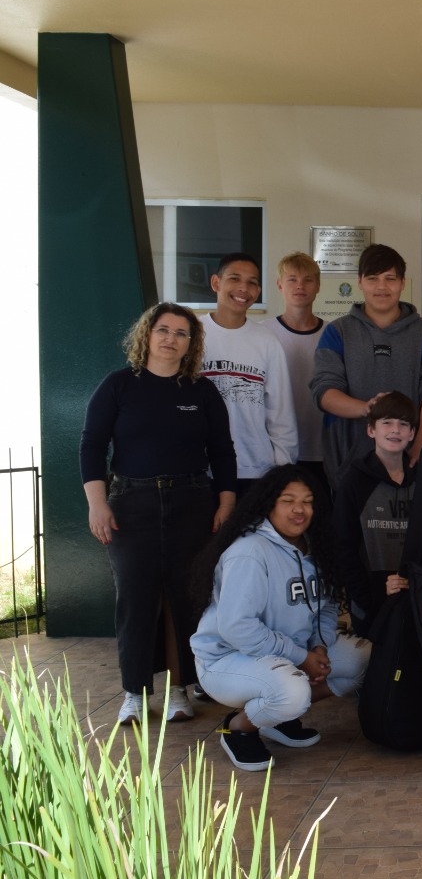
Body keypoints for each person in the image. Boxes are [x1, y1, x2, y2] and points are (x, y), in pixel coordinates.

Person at [81, 303, 237, 725]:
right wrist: (98, 503)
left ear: (191, 343)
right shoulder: (118, 386)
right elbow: (92, 446)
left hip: (192, 503)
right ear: (146, 336)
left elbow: (222, 451)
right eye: (163, 330)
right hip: (131, 505)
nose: (171, 339)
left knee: (186, 600)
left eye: (181, 333)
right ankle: (134, 691)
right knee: (135, 599)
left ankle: (179, 689)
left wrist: (225, 503)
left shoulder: (201, 391)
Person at [189, 467, 369, 772]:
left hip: (287, 654)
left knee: (362, 659)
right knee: (293, 691)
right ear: (268, 503)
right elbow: (237, 627)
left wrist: (320, 647)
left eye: (308, 501)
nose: (300, 509)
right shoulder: (249, 551)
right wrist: (301, 657)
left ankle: (275, 714)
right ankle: (240, 727)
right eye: (288, 500)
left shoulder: (314, 546)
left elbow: (326, 606)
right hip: (227, 660)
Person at [313, 245, 422, 478]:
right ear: (360, 281)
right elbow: (324, 391)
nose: (381, 287)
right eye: (373, 278)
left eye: (390, 278)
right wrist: (365, 409)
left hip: (410, 460)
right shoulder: (338, 331)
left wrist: (421, 445)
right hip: (348, 460)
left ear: (403, 282)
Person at [199, 252, 296, 494]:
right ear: (215, 283)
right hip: (198, 470)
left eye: (252, 282)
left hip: (256, 471)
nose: (244, 288)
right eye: (234, 278)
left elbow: (281, 412)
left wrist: (281, 472)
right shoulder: (192, 335)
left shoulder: (267, 340)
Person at [332, 391, 417, 638]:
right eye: (387, 422)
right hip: (369, 600)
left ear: (412, 433)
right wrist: (366, 597)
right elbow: (343, 546)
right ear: (371, 430)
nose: (395, 430)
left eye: (403, 424)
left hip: (416, 595)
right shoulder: (354, 481)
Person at [265, 251, 326, 484]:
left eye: (308, 280)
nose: (300, 286)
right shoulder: (263, 333)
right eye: (292, 279)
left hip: (321, 448)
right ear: (280, 285)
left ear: (318, 286)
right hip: (275, 448)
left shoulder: (333, 334)